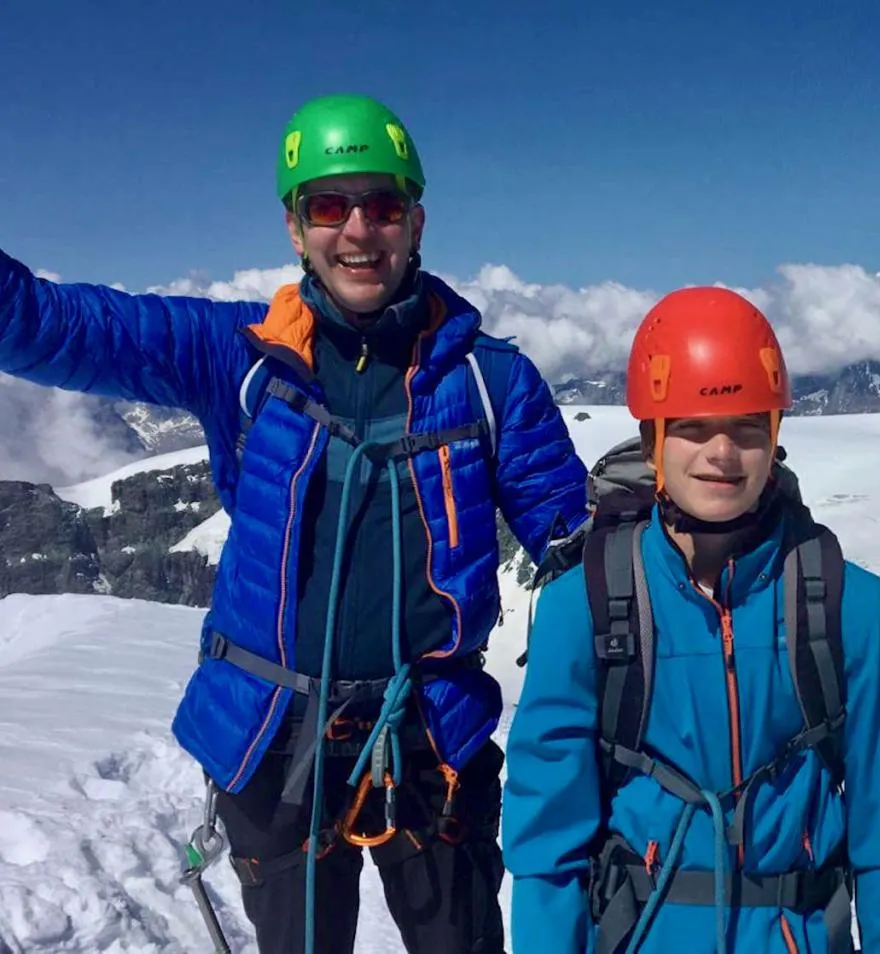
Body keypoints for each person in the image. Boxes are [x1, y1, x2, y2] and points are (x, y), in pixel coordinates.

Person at [0, 93, 590, 953]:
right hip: (275, 745)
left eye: (382, 205)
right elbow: (48, 325)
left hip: (433, 743)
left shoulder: (494, 385)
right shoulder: (234, 354)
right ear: (294, 226)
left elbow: (579, 550)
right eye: (328, 206)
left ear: (416, 219)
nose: (358, 230)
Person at [501, 287, 880, 953]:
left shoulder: (848, 605)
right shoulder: (583, 606)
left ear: (775, 436)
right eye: (692, 427)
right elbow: (546, 840)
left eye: (746, 427)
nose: (722, 453)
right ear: (653, 441)